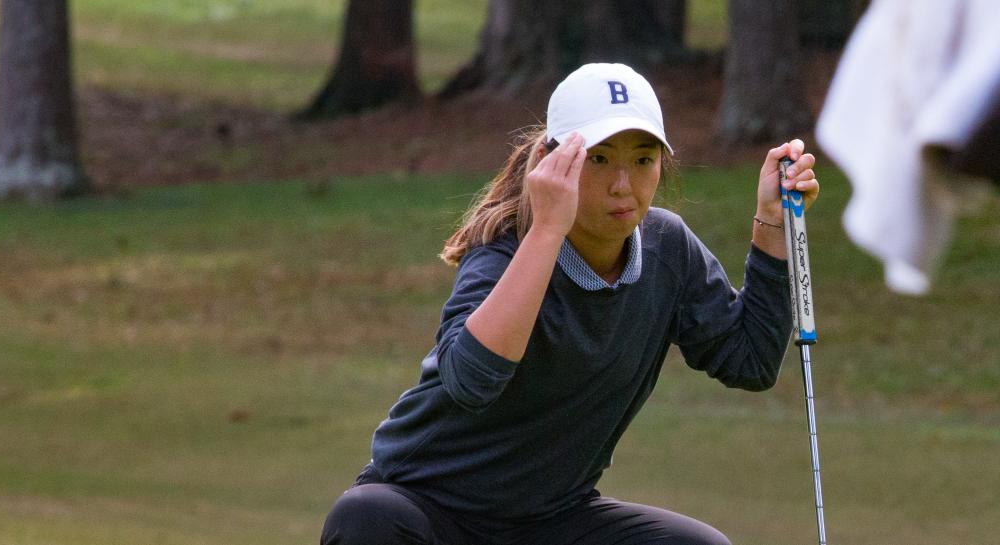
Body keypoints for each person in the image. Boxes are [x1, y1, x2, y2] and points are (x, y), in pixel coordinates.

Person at [319, 63, 821, 545]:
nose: (623, 185)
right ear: (552, 163)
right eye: (599, 159)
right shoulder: (504, 250)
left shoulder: (667, 248)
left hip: (551, 520)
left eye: (642, 160)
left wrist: (771, 224)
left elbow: (750, 361)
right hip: (429, 509)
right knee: (365, 517)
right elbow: (471, 381)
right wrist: (548, 229)